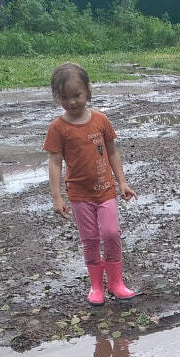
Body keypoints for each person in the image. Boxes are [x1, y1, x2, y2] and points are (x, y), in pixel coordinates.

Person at [44, 61, 138, 306]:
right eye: (65, 97)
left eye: (77, 95)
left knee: (111, 233)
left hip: (105, 190)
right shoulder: (57, 128)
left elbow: (113, 152)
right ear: (57, 97)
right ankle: (96, 286)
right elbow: (55, 163)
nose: (72, 102)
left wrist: (123, 183)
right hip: (79, 195)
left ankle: (116, 282)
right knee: (90, 238)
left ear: (87, 91)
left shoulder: (101, 121)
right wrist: (56, 197)